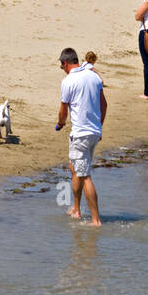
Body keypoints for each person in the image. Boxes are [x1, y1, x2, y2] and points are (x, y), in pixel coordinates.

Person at [55, 47, 107, 226]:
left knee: (84, 175)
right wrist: (99, 126)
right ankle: (76, 209)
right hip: (94, 132)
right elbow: (104, 105)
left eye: (62, 66)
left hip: (80, 135)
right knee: (74, 167)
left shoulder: (68, 81)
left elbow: (63, 111)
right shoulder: (93, 76)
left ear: (66, 63)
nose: (62, 69)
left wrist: (60, 124)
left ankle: (96, 220)